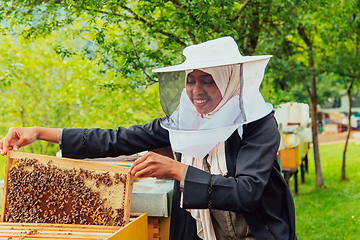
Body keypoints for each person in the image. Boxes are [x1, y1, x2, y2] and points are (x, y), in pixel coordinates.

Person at [0, 36, 297, 240]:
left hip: (259, 233)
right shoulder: (185, 122)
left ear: (230, 81)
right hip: (205, 232)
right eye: (191, 81)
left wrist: (177, 170)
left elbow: (246, 192)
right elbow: (120, 139)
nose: (196, 91)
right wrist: (40, 133)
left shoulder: (259, 125)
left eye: (208, 81)